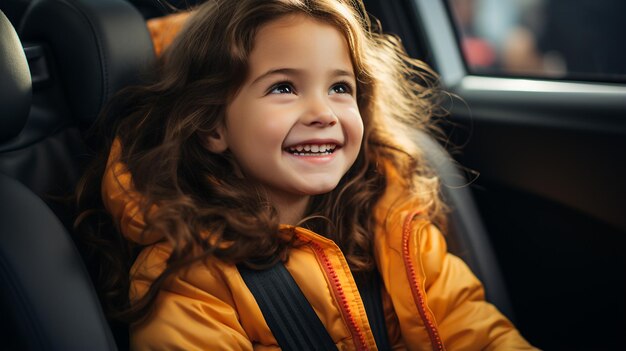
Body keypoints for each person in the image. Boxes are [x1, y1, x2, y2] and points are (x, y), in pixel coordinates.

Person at [75, 0, 536, 349]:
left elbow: (472, 326)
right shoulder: (187, 276)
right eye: (284, 87)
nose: (322, 112)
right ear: (212, 125)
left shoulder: (392, 226)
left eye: (340, 87)